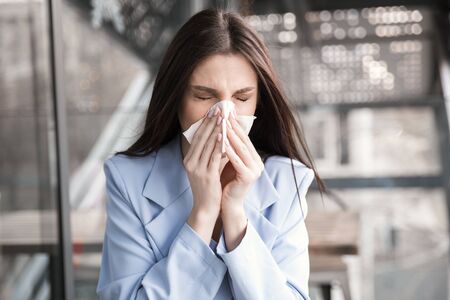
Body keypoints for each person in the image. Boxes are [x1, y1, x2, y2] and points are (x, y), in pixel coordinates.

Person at [96, 7, 325, 300]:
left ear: (259, 103)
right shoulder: (128, 179)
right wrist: (202, 214)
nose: (224, 114)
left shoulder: (287, 180)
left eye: (242, 98)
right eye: (204, 96)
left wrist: (235, 215)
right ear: (175, 98)